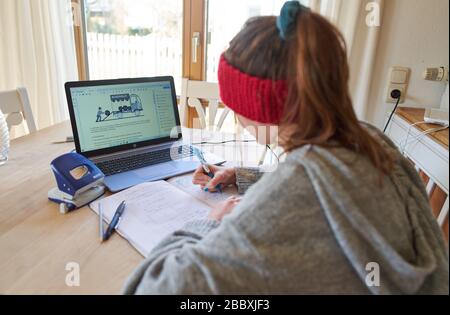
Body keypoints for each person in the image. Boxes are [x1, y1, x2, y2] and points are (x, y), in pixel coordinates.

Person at [123, 2, 449, 294]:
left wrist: (210, 222)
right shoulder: (370, 139)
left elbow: (151, 288)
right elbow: (319, 190)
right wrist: (245, 176)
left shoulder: (299, 190)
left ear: (260, 105)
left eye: (232, 101)